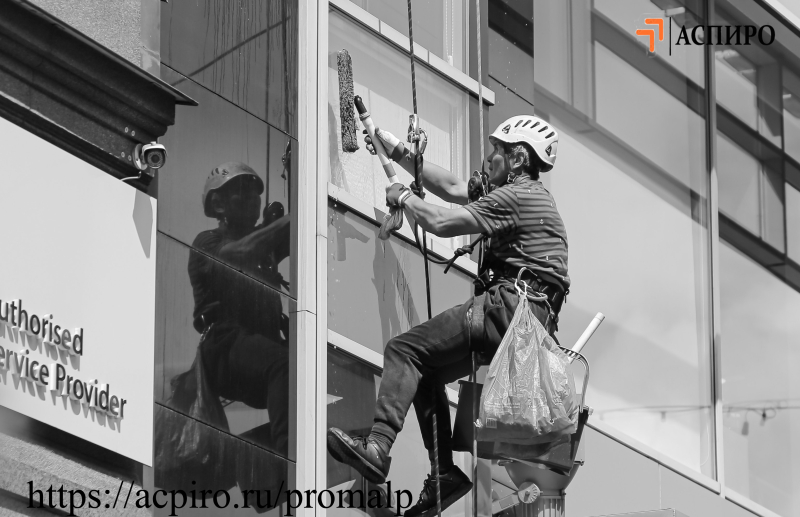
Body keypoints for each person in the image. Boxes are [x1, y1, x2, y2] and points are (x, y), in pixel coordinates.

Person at [327, 116, 568, 517]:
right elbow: (455, 187)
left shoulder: (517, 196)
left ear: (518, 158)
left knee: (404, 351)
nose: (489, 158)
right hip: (523, 325)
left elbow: (440, 221)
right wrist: (397, 150)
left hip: (507, 310)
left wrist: (405, 198)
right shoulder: (524, 194)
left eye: (497, 150)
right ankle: (444, 473)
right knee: (424, 372)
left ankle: (378, 448)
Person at [187, 161, 291, 456]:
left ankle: (296, 444)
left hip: (258, 350)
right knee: (284, 365)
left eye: (254, 193)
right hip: (224, 349)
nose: (252, 199)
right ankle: (290, 455)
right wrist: (291, 221)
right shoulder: (208, 242)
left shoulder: (262, 248)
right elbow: (241, 253)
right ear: (218, 204)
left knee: (309, 368)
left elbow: (277, 241)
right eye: (241, 192)